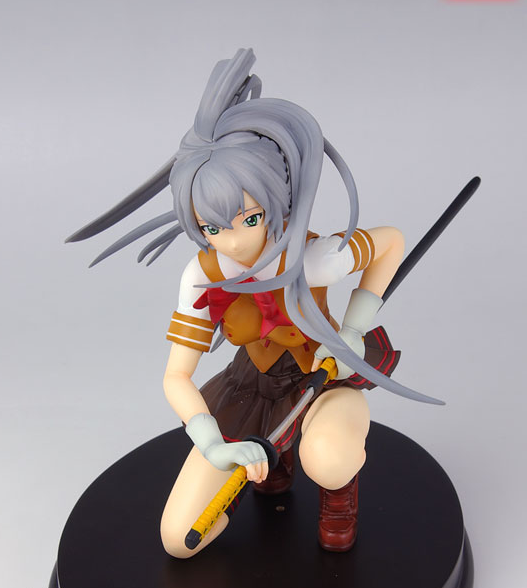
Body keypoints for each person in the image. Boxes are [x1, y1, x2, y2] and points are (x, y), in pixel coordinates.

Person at [67, 48, 440, 559]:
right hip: (252, 387)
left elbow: (392, 242)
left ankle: (338, 492)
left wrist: (354, 328)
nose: (235, 241)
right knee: (178, 540)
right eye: (211, 227)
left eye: (250, 218)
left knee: (328, 458)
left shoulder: (314, 260)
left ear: (275, 202)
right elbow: (176, 376)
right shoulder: (203, 275)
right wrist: (212, 443)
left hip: (322, 375)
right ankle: (272, 463)